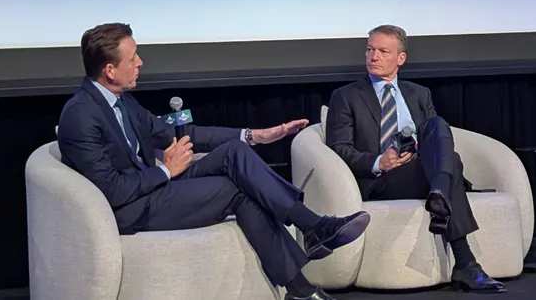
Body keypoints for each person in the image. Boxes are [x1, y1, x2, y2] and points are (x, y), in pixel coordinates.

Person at [58, 23, 370, 300]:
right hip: (132, 208)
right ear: (110, 70)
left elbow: (179, 132)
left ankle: (311, 235)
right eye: (132, 58)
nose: (140, 62)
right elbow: (112, 190)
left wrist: (255, 135)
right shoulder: (81, 116)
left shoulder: (121, 101)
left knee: (234, 154)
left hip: (150, 189)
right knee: (238, 192)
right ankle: (304, 274)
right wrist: (167, 170)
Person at [324, 25, 506, 293]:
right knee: (451, 163)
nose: (373, 56)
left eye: (383, 51)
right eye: (369, 49)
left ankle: (440, 192)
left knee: (438, 126)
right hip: (382, 179)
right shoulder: (346, 96)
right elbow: (338, 148)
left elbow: (435, 140)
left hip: (420, 170)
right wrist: (378, 162)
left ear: (400, 58)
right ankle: (464, 260)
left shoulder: (419, 94)